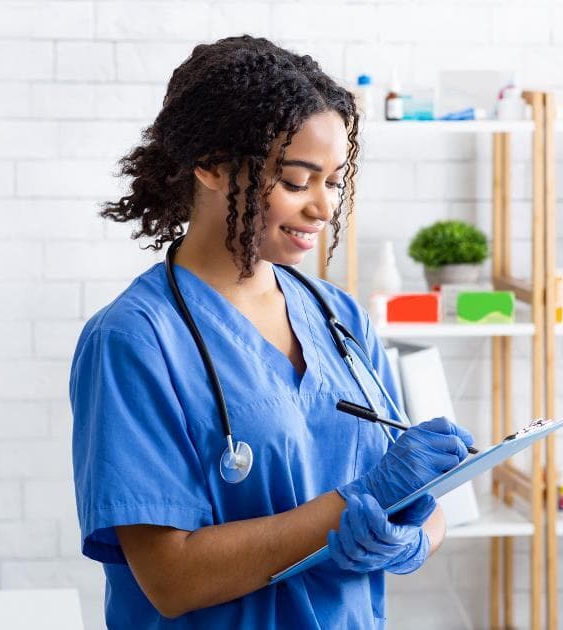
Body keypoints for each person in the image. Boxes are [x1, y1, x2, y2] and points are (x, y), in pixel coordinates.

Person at [69, 35, 474, 628]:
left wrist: (411, 539)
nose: (325, 208)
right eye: (295, 181)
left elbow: (412, 500)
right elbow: (171, 578)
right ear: (208, 164)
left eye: (333, 181)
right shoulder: (135, 339)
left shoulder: (342, 319)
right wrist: (347, 509)